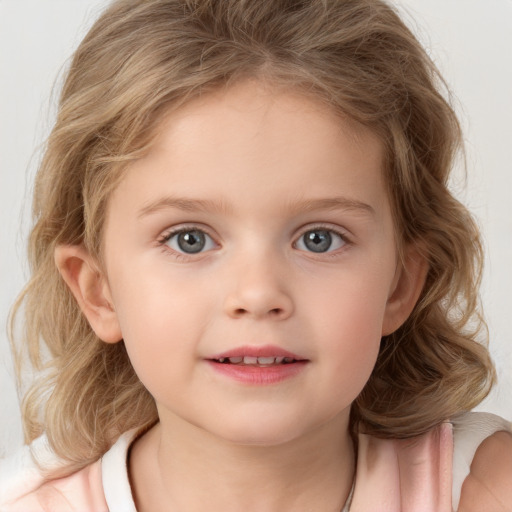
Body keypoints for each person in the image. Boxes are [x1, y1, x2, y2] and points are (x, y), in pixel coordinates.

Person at [1, 0, 511, 510]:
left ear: (400, 283)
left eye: (319, 238)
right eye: (189, 239)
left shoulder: (483, 489)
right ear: (98, 291)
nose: (258, 293)